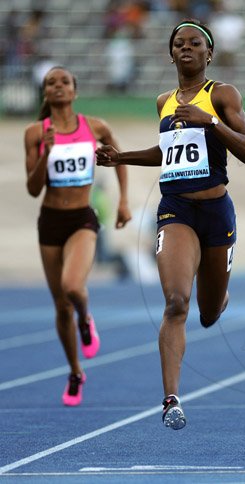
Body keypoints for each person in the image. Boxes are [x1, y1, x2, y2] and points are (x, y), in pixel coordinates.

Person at [96, 19, 245, 430]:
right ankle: (171, 400)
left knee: (207, 313)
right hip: (176, 210)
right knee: (175, 303)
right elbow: (167, 152)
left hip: (216, 211)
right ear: (170, 54)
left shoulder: (222, 94)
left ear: (209, 54)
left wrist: (211, 123)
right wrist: (122, 157)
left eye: (195, 43)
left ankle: (219, 294)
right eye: (179, 43)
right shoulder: (163, 101)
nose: (186, 48)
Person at [24, 66, 131, 406]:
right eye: (50, 83)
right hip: (51, 221)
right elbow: (32, 188)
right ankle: (75, 372)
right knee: (59, 306)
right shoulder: (35, 133)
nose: (57, 86)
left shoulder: (95, 127)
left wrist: (123, 201)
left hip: (82, 219)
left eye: (64, 82)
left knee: (73, 288)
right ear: (45, 93)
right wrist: (45, 153)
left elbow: (119, 158)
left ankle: (85, 318)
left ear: (75, 90)